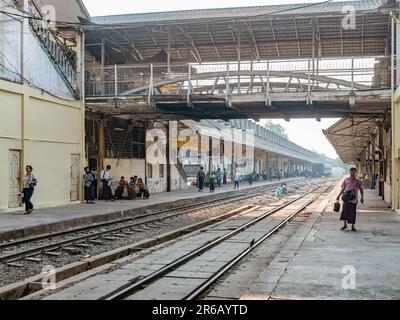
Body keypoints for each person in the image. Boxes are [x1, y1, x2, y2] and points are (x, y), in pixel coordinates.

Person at [336, 168, 364, 232]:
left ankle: (353, 226)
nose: (352, 173)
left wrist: (362, 197)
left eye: (353, 172)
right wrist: (338, 195)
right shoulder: (346, 180)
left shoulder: (358, 181)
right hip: (346, 199)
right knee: (344, 212)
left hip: (354, 200)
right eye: (351, 172)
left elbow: (361, 189)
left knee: (353, 213)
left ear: (355, 173)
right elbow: (343, 189)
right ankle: (345, 224)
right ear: (349, 172)